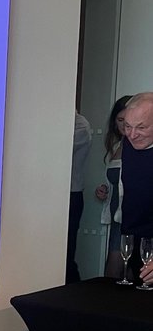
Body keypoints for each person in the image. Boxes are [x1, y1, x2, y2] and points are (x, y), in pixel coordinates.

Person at [94, 95, 131, 280]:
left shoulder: (143, 147)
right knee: (114, 273)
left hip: (134, 218)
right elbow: (115, 181)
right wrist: (104, 190)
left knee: (123, 270)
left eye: (129, 120)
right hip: (117, 218)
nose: (125, 126)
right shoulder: (116, 145)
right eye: (120, 120)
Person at [121, 92, 153, 283]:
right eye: (127, 126)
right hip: (134, 238)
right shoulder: (129, 143)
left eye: (141, 127)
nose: (132, 135)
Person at [66, 110, 92, 282]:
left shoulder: (80, 125)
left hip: (71, 194)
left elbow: (57, 149)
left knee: (66, 254)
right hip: (51, 194)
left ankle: (74, 292)